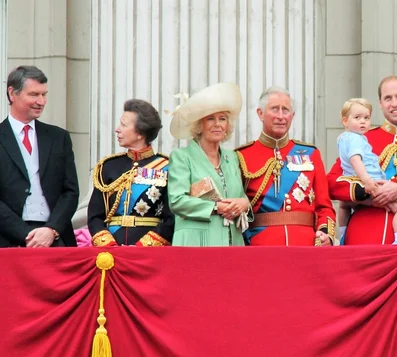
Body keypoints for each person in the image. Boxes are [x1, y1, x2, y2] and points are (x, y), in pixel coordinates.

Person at [327, 75, 397, 245]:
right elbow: (332, 182)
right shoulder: (362, 139)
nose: (394, 103)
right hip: (363, 236)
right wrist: (367, 191)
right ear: (380, 103)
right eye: (388, 98)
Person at [236, 86, 336, 246]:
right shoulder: (242, 156)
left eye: (286, 110)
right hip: (260, 245)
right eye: (275, 109)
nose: (281, 116)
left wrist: (325, 235)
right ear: (260, 114)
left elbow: (324, 206)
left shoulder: (311, 154)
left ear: (292, 115)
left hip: (305, 244)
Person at [0, 65, 79, 247]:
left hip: (55, 238)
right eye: (34, 94)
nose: (41, 101)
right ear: (12, 93)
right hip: (6, 241)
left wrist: (51, 230)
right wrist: (26, 235)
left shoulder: (59, 137)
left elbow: (71, 191)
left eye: (44, 94)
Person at [168, 82, 250, 246]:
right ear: (199, 125)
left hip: (232, 241)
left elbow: (239, 195)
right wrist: (216, 207)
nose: (217, 124)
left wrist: (244, 203)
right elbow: (177, 201)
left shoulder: (232, 157)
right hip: (196, 243)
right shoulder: (182, 157)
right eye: (210, 119)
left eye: (222, 119)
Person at [87, 99, 174, 246]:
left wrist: (145, 245)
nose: (117, 129)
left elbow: (171, 218)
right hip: (112, 247)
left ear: (140, 132)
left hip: (149, 250)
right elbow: (95, 216)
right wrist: (107, 243)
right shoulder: (109, 166)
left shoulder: (167, 167)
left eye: (124, 124)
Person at [336, 98, 397, 245]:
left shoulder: (343, 138)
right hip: (370, 183)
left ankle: (343, 234)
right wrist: (368, 181)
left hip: (353, 183)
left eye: (366, 118)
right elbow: (355, 161)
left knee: (344, 205)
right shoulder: (357, 139)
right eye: (357, 118)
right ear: (345, 121)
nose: (363, 122)